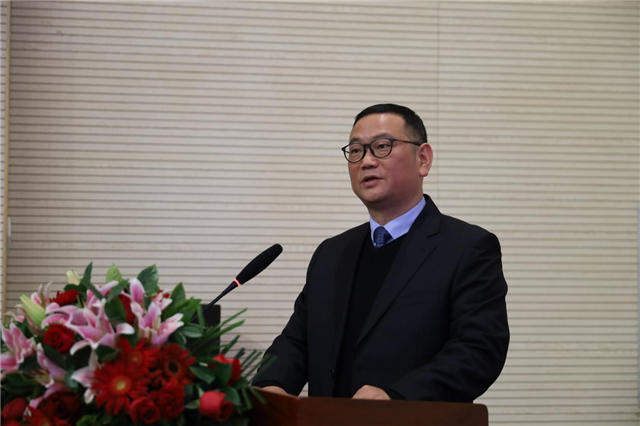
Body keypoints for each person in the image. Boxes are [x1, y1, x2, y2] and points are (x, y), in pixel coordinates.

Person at [253, 104, 509, 402]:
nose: (366, 161)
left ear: (423, 159)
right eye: (356, 150)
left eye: (382, 146)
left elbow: (478, 350)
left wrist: (396, 397)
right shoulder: (332, 253)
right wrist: (272, 385)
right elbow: (297, 341)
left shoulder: (467, 247)